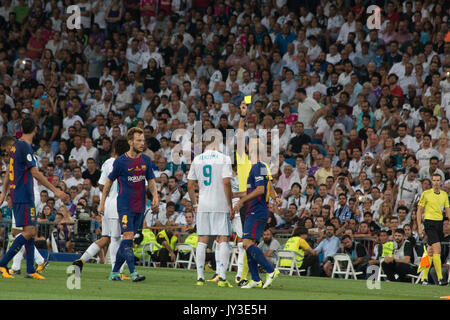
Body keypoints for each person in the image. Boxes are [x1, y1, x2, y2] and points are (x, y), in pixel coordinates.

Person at [0, 117, 68, 279]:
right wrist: (56, 190)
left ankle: (30, 270)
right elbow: (35, 172)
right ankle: (3, 264)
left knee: (29, 231)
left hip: (19, 194)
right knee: (30, 231)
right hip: (24, 194)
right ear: (36, 129)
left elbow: (9, 172)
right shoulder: (24, 146)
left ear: (21, 127)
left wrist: (3, 192)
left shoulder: (16, 146)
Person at [98, 127, 160, 282]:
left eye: (143, 140)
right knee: (128, 236)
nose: (142, 143)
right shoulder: (120, 162)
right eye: (138, 140)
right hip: (125, 205)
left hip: (140, 206)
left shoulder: (145, 160)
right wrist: (102, 203)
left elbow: (151, 181)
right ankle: (133, 273)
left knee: (128, 239)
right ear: (130, 142)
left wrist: (155, 197)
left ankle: (114, 272)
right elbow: (108, 182)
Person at [72, 137, 130, 279]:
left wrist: (106, 194)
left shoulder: (107, 163)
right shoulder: (124, 163)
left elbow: (101, 184)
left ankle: (81, 260)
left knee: (106, 238)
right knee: (119, 238)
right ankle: (117, 272)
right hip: (118, 203)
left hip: (106, 203)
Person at [233, 136, 280, 289]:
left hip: (256, 210)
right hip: (254, 210)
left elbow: (260, 190)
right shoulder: (259, 166)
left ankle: (271, 270)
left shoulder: (258, 166)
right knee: (248, 245)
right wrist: (237, 196)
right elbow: (267, 187)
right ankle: (256, 279)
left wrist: (241, 201)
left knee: (246, 243)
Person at [187, 133, 234, 287]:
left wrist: (194, 204)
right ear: (218, 143)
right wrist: (230, 204)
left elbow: (189, 184)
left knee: (202, 240)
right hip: (220, 204)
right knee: (223, 238)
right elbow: (226, 182)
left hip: (203, 205)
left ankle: (200, 277)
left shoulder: (197, 159)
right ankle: (222, 277)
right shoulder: (224, 159)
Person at [417, 173, 450, 285]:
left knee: (430, 251)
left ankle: (424, 278)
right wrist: (419, 227)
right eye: (434, 180)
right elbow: (419, 211)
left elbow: (447, 210)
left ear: (441, 182)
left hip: (439, 224)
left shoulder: (444, 195)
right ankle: (440, 278)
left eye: (438, 180)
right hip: (429, 223)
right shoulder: (425, 194)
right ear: (432, 181)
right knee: (437, 249)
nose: (436, 182)